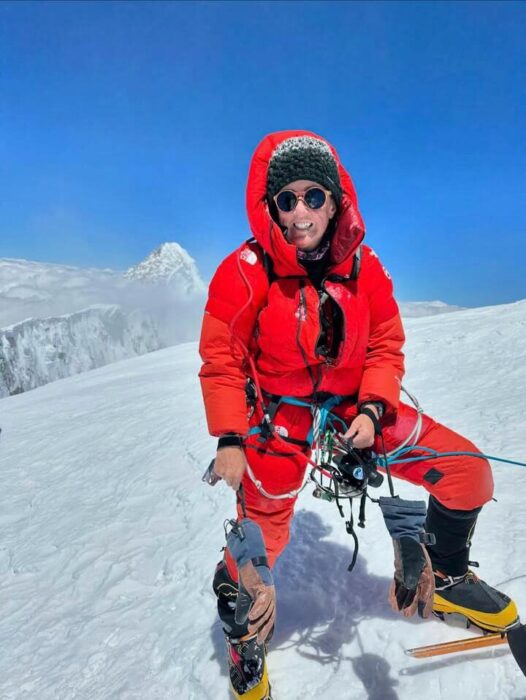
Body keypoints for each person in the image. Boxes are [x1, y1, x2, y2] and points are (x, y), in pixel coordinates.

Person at [199, 130, 517, 699]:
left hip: (357, 414)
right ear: (269, 206)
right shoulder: (245, 270)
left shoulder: (364, 267)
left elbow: (384, 346)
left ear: (335, 199)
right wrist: (229, 435)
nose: (300, 211)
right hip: (279, 422)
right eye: (286, 198)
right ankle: (245, 632)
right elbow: (221, 357)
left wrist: (373, 408)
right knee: (259, 538)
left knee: (468, 471)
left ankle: (443, 573)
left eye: (313, 196)